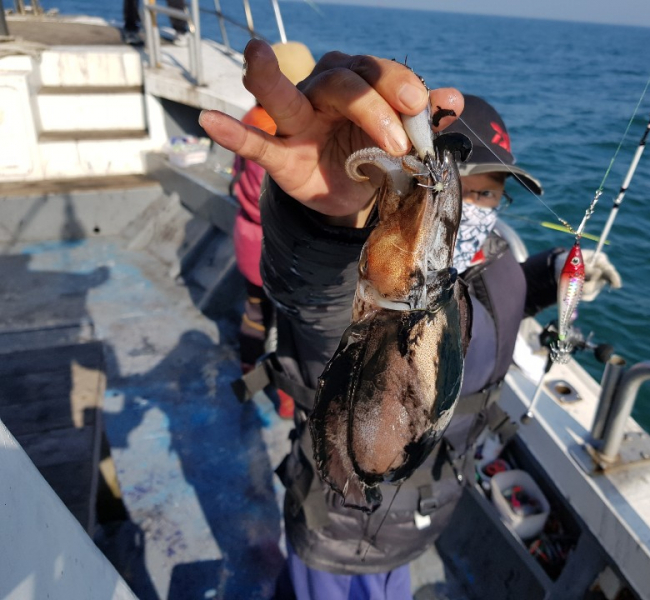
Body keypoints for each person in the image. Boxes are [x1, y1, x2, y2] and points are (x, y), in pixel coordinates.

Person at [200, 43, 621, 599]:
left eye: (488, 193)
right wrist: (323, 219)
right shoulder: (365, 286)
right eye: (463, 189)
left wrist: (556, 274)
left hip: (423, 518)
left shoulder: (493, 263)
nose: (471, 206)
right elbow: (315, 292)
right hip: (334, 524)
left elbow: (500, 296)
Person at [231, 41, 316, 419]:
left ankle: (247, 369)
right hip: (278, 251)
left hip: (245, 237)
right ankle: (286, 400)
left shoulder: (248, 118)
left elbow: (237, 176)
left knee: (253, 311)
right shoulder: (286, 136)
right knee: (285, 327)